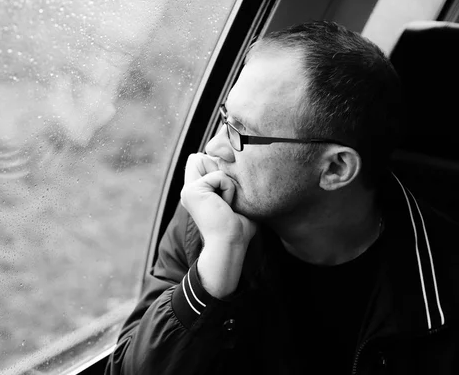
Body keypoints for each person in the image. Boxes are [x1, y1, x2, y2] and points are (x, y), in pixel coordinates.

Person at [104, 20, 459, 374]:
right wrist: (213, 269)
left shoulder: (446, 289)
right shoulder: (210, 220)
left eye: (242, 133)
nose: (214, 147)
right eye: (225, 118)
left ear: (335, 169)